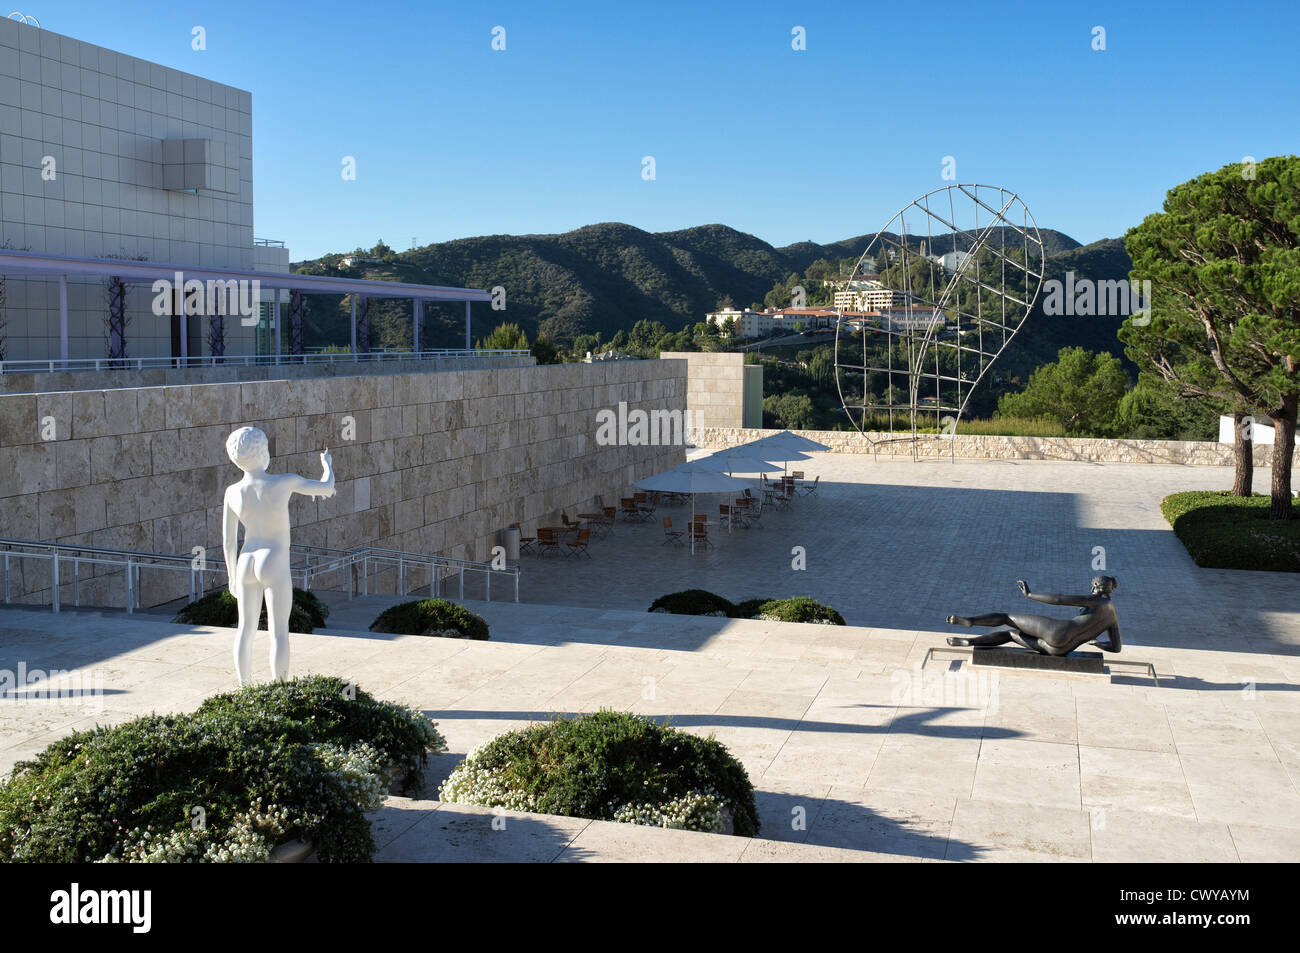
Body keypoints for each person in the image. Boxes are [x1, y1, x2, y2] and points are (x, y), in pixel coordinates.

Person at [222, 426, 335, 685]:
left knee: (245, 629)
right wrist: (327, 463)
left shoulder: (232, 492)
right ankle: (279, 690)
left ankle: (245, 690)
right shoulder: (283, 482)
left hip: (245, 561)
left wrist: (231, 577)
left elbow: (229, 542)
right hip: (273, 559)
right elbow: (326, 488)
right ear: (263, 453)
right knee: (278, 632)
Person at [945, 576, 1121, 656]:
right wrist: (1097, 643)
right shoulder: (1112, 616)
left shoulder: (1097, 601)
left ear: (1096, 587)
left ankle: (971, 621)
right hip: (1060, 650)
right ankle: (970, 642)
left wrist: (1030, 595)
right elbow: (1116, 648)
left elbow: (1059, 599)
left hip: (1057, 632)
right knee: (1010, 635)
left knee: (1007, 618)